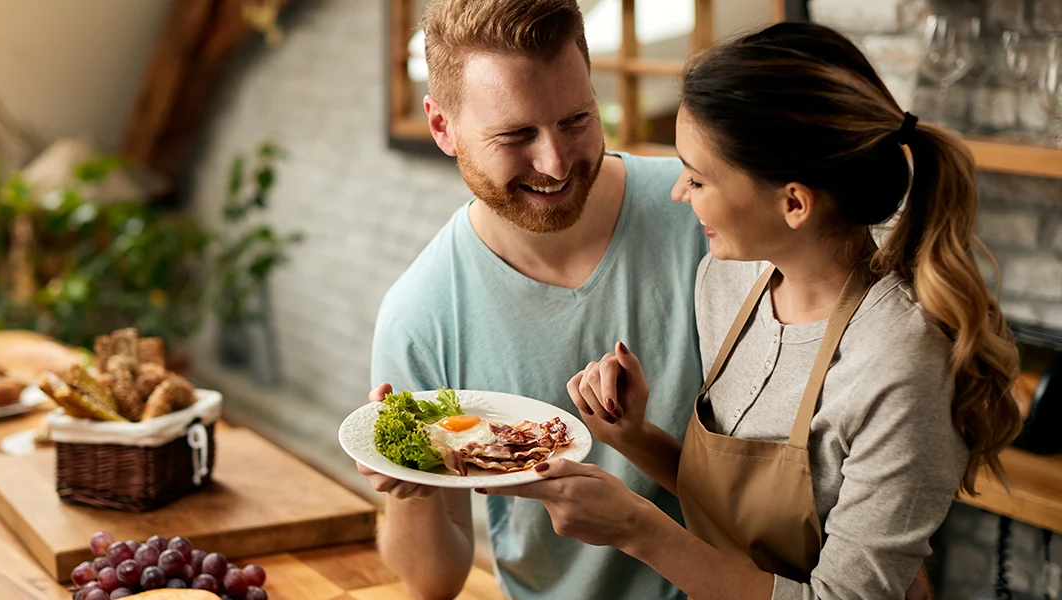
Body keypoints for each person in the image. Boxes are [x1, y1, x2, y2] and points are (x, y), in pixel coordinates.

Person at [483, 21, 1024, 600]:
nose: (678, 193)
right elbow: (736, 510)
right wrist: (633, 436)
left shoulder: (899, 363)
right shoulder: (730, 279)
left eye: (697, 177)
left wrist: (637, 528)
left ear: (794, 202)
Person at [357, 0, 708, 598]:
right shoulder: (421, 315)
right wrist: (408, 476)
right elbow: (433, 581)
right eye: (517, 134)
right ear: (442, 127)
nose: (555, 162)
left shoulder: (704, 215)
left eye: (576, 120)